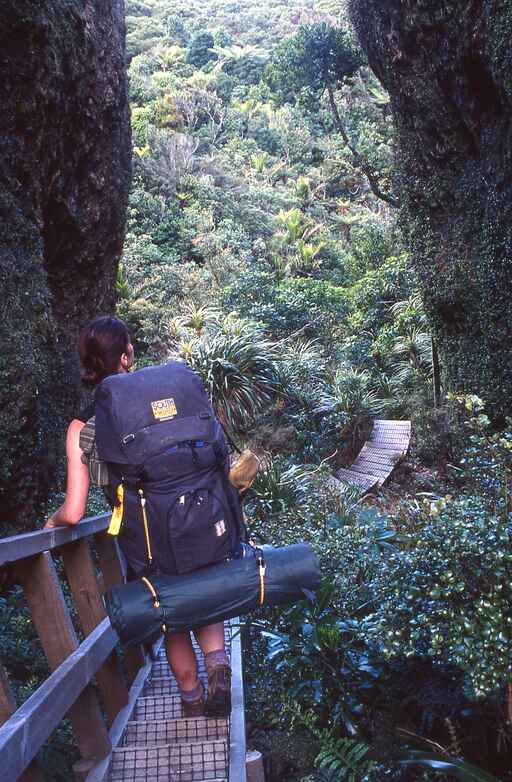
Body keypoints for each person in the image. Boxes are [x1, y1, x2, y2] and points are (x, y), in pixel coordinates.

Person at [45, 315, 231, 718]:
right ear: (128, 356)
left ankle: (193, 697)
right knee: (204, 592)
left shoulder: (81, 426)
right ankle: (218, 665)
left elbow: (75, 512)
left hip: (144, 537)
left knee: (171, 616)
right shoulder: (160, 399)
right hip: (198, 519)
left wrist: (52, 522)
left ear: (89, 364)